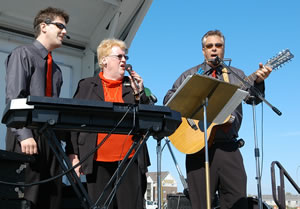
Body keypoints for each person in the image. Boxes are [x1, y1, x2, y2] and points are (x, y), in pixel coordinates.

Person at [163, 30, 272, 209]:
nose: (214, 49)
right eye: (209, 46)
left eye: (218, 45)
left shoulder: (236, 75)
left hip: (228, 146)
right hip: (197, 148)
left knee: (237, 201)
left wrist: (259, 81)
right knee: (200, 204)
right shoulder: (190, 74)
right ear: (203, 51)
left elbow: (254, 100)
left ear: (224, 49)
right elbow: (169, 99)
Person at [66, 38, 151, 209]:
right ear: (104, 60)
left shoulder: (132, 85)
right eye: (119, 56)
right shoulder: (87, 86)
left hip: (130, 161)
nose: (124, 60)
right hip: (97, 161)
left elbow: (150, 119)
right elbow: (73, 120)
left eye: (125, 57)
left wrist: (140, 93)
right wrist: (73, 154)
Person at [5, 7, 69, 209]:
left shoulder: (57, 70)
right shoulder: (22, 54)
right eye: (60, 26)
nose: (64, 32)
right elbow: (15, 97)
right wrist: (24, 134)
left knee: (51, 200)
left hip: (51, 141)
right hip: (28, 134)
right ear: (43, 26)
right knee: (25, 200)